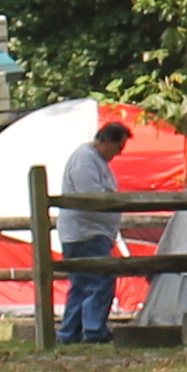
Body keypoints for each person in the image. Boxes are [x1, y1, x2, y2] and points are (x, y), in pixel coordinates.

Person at [55, 117, 134, 344]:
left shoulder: (95, 161)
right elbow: (90, 197)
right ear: (107, 141)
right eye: (118, 147)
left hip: (91, 231)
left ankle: (70, 332)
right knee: (99, 281)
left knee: (81, 284)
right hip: (87, 232)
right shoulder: (85, 160)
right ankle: (93, 330)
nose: (118, 153)